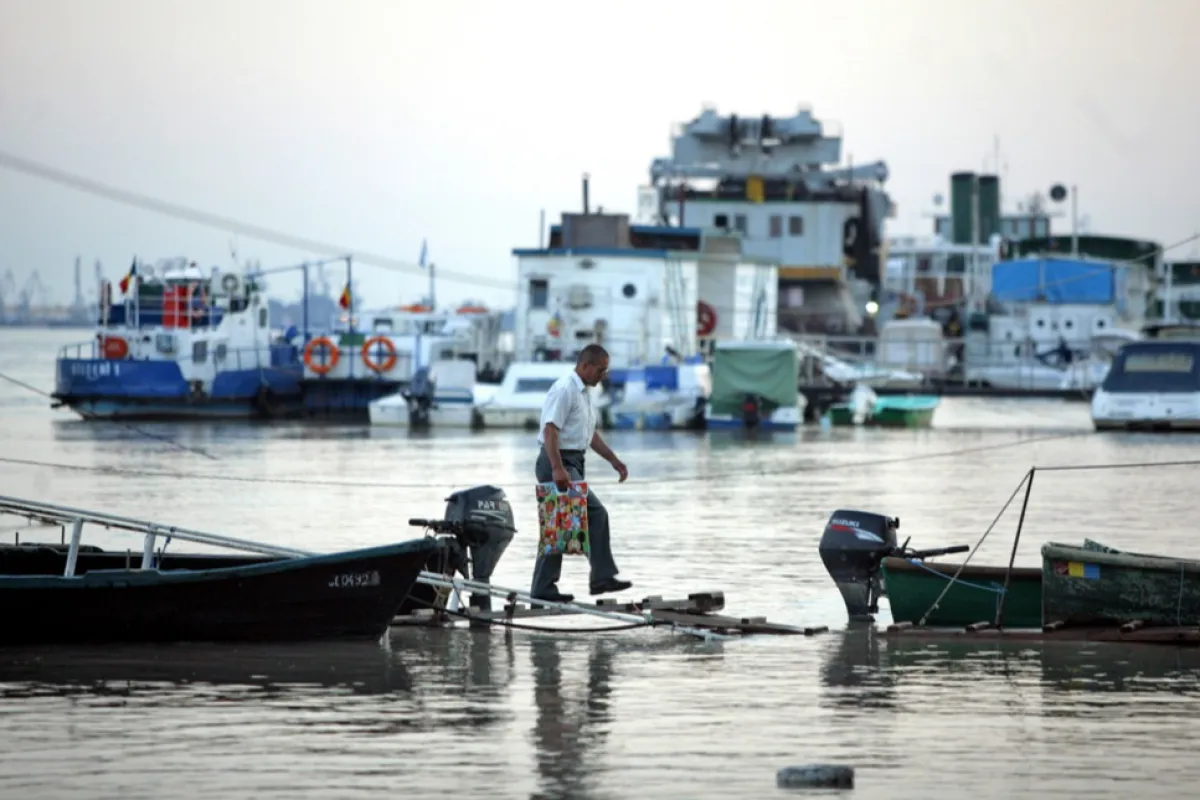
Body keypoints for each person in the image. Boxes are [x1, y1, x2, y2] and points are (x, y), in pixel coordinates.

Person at [531, 344, 633, 603]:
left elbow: (590, 435)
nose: (604, 375)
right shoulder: (565, 389)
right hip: (557, 461)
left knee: (559, 523)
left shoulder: (585, 393)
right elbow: (550, 431)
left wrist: (614, 460)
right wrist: (557, 468)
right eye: (601, 369)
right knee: (595, 514)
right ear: (585, 366)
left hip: (572, 462)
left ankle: (544, 587)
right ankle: (600, 577)